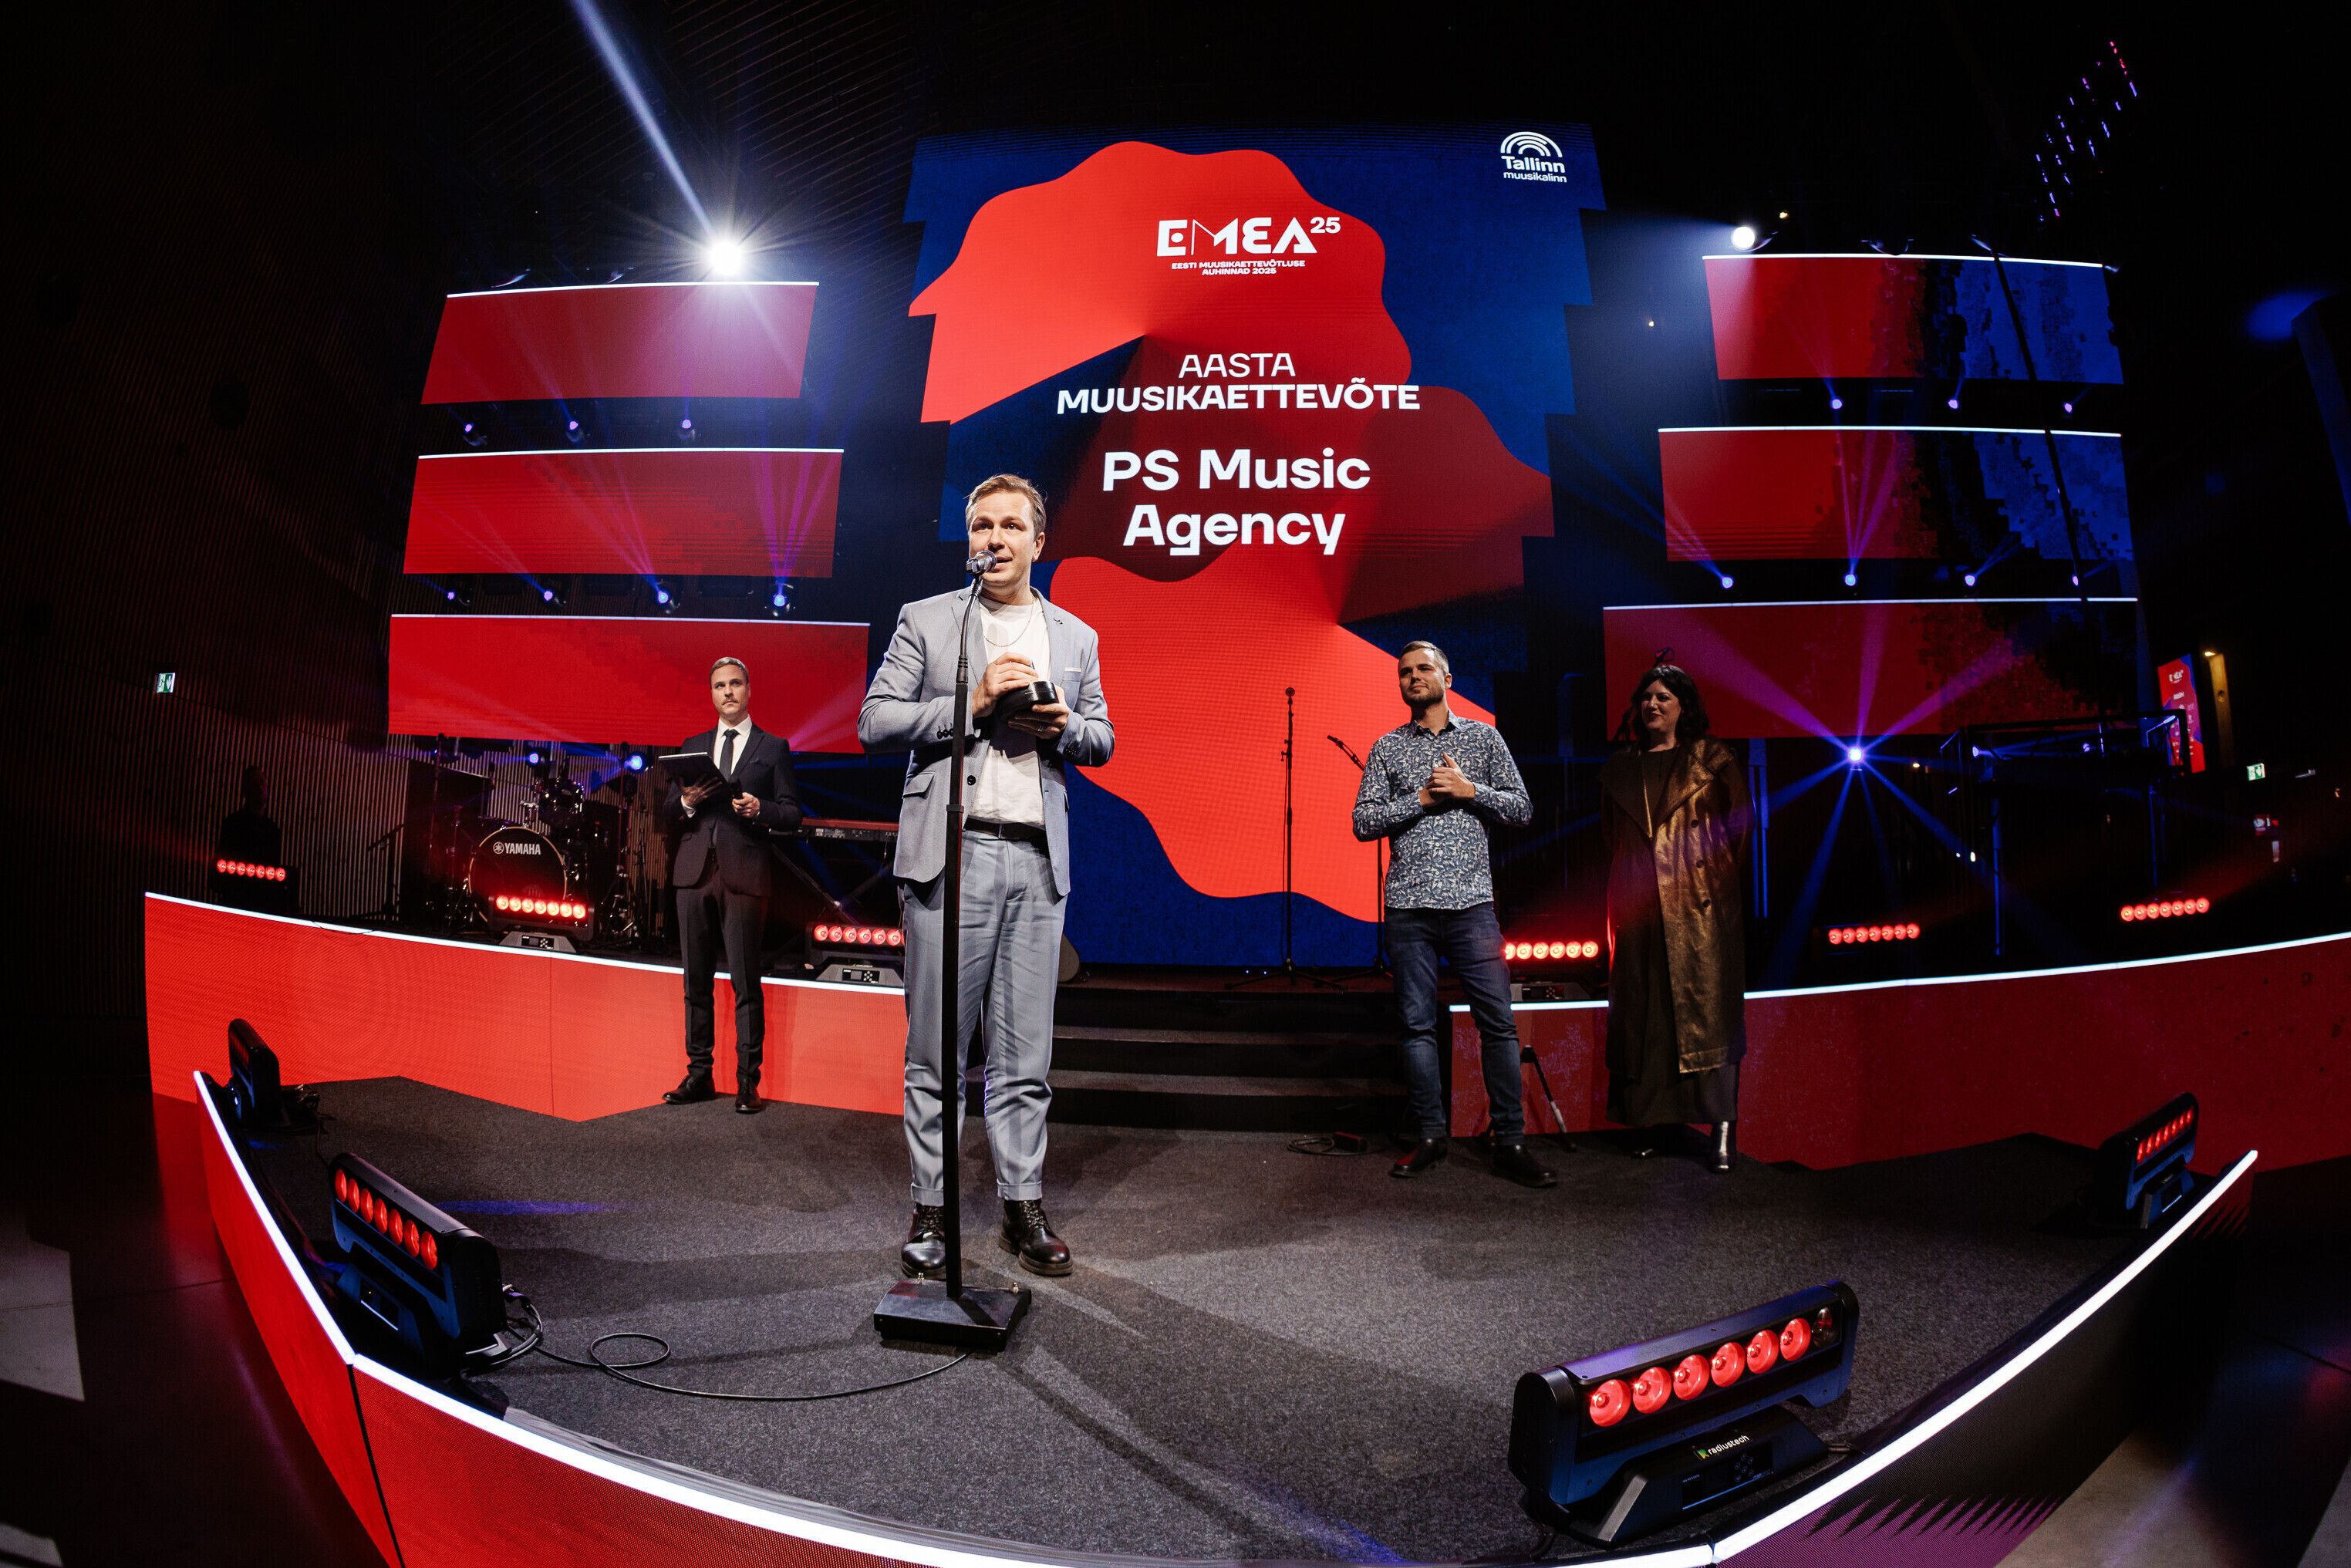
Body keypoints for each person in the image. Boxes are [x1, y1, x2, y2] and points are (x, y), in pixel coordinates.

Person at [859, 475, 1113, 1278]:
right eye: (980, 525)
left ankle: (1021, 1204)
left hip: (1035, 859)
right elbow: (875, 720)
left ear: (1039, 540)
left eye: (1010, 525)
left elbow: (1104, 737)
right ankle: (932, 1209)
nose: (993, 538)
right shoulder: (930, 619)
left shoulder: (1075, 635)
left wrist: (1065, 726)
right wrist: (969, 703)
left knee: (1024, 1056)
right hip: (952, 854)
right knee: (936, 1053)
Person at [1352, 642, 1550, 1187]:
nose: (1413, 677)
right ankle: (1430, 1136)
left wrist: (1469, 790)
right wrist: (1420, 799)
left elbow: (1522, 808)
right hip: (1409, 908)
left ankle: (1510, 1141)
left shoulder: (1483, 738)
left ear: (1447, 677)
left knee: (1498, 1025)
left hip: (1471, 906)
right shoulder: (1388, 747)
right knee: (1417, 1027)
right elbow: (1363, 822)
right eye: (1405, 672)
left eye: (1423, 669)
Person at [1597, 663, 1752, 1172]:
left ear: (1684, 705)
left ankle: (1722, 1126)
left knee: (1707, 1014)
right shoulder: (1621, 767)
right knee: (1649, 1013)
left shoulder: (1711, 757)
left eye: (1664, 696)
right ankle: (1656, 1120)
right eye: (1646, 696)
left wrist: (1712, 883)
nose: (1652, 704)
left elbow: (1739, 827)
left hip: (1699, 904)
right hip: (1639, 907)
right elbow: (1610, 836)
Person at [659, 657, 803, 1114]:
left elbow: (792, 813)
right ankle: (698, 1075)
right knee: (695, 982)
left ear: (748, 689)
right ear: (712, 693)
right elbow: (667, 811)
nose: (728, 692)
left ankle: (747, 1083)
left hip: (744, 873)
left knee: (746, 983)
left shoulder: (773, 747)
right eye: (720, 685)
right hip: (693, 873)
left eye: (735, 683)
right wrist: (686, 801)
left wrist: (761, 809)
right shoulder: (693, 746)